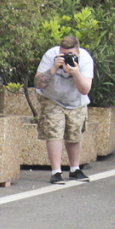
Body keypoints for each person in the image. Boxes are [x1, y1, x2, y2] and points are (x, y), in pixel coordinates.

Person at [33, 35, 94, 184]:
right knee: (54, 131)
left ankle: (74, 169)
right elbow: (38, 83)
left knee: (74, 134)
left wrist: (75, 72)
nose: (66, 58)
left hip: (75, 100)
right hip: (52, 98)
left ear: (77, 53)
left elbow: (85, 89)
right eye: (64, 54)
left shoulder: (85, 59)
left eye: (70, 55)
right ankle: (56, 171)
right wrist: (54, 67)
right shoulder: (50, 55)